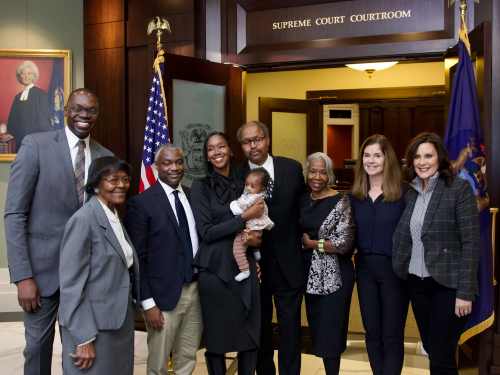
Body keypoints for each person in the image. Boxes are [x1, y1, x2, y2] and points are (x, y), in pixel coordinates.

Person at [4, 88, 112, 375]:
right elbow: (14, 214)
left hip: (87, 276)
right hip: (41, 277)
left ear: (97, 114)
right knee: (38, 350)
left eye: (90, 110)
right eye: (78, 108)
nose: (84, 115)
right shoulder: (36, 145)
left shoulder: (105, 157)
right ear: (66, 109)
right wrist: (23, 276)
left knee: (83, 353)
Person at [393, 132, 480, 375]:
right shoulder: (409, 192)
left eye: (428, 155)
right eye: (417, 157)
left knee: (441, 354)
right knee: (433, 349)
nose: (422, 162)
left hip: (448, 287)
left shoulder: (458, 189)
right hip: (417, 285)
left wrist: (465, 292)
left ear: (440, 158)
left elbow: (471, 243)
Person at [124, 144, 202, 375]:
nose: (174, 167)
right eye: (167, 163)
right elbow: (139, 259)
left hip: (196, 290)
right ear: (156, 167)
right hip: (162, 296)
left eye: (178, 162)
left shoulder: (192, 195)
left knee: (187, 356)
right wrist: (148, 303)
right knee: (158, 363)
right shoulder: (142, 203)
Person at [190, 132, 264, 375]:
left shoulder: (247, 181)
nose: (216, 152)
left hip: (245, 267)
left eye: (221, 146)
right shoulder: (200, 187)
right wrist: (243, 217)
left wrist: (255, 240)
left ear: (231, 150)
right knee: (217, 340)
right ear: (207, 156)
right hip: (215, 270)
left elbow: (260, 219)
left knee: (249, 336)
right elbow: (207, 232)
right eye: (210, 149)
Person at [58, 156, 139, 374]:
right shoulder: (84, 220)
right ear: (95, 185)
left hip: (117, 324)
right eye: (112, 180)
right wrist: (83, 338)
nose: (121, 185)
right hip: (93, 329)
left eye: (125, 179)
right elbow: (71, 286)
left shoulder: (113, 215)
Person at [237, 121, 306, 375]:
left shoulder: (292, 168)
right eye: (247, 141)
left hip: (289, 263)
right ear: (242, 147)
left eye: (257, 139)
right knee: (261, 329)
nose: (253, 145)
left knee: (290, 330)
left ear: (267, 139)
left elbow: (303, 211)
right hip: (255, 267)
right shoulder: (237, 175)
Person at [350, 134, 408, 375]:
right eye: (366, 155)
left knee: (392, 334)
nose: (371, 160)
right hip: (364, 271)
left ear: (387, 159)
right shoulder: (355, 196)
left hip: (395, 272)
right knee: (372, 333)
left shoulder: (404, 193)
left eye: (377, 155)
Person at [300, 152, 355, 375]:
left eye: (323, 172)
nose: (317, 176)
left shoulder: (341, 202)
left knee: (331, 334)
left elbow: (344, 244)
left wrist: (313, 244)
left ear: (329, 175)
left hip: (336, 278)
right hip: (309, 276)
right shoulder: (303, 200)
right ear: (306, 173)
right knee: (319, 333)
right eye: (313, 171)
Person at [230, 167, 274, 282]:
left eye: (252, 186)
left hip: (252, 228)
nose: (248, 188)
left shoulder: (254, 198)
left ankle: (244, 270)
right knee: (253, 241)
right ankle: (256, 251)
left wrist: (233, 205)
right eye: (246, 184)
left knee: (237, 248)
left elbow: (241, 208)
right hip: (256, 228)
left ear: (262, 188)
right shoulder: (257, 195)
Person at [7, 60, 52, 150]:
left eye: (29, 73)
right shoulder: (17, 97)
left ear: (34, 76)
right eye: (23, 73)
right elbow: (11, 122)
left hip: (36, 142)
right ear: (20, 76)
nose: (26, 76)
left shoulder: (41, 95)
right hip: (20, 142)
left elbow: (44, 123)